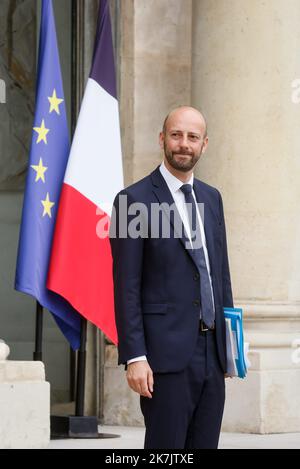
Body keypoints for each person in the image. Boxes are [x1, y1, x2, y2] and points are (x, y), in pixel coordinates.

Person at [109, 106, 234, 449]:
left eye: (192, 137)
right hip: (164, 357)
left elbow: (219, 275)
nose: (184, 144)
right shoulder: (131, 201)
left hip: (212, 353)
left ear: (204, 144)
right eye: (176, 135)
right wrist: (135, 356)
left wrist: (230, 345)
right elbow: (126, 286)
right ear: (162, 139)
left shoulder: (212, 198)